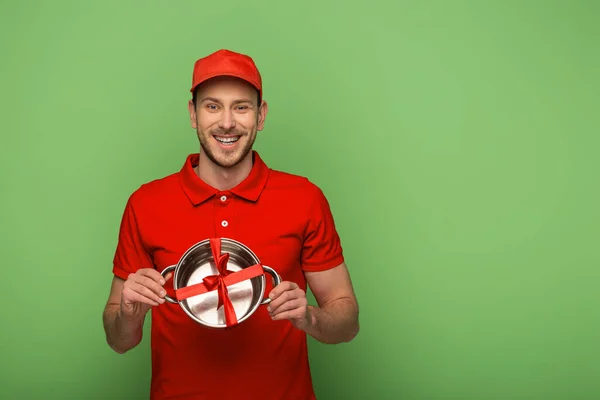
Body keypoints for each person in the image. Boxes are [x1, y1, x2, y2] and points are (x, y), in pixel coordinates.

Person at [102, 49, 360, 400]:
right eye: (212, 106)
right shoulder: (146, 203)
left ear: (261, 114)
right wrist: (129, 314)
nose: (227, 122)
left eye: (241, 106)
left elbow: (347, 323)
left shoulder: (304, 198)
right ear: (193, 114)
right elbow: (119, 340)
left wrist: (310, 318)